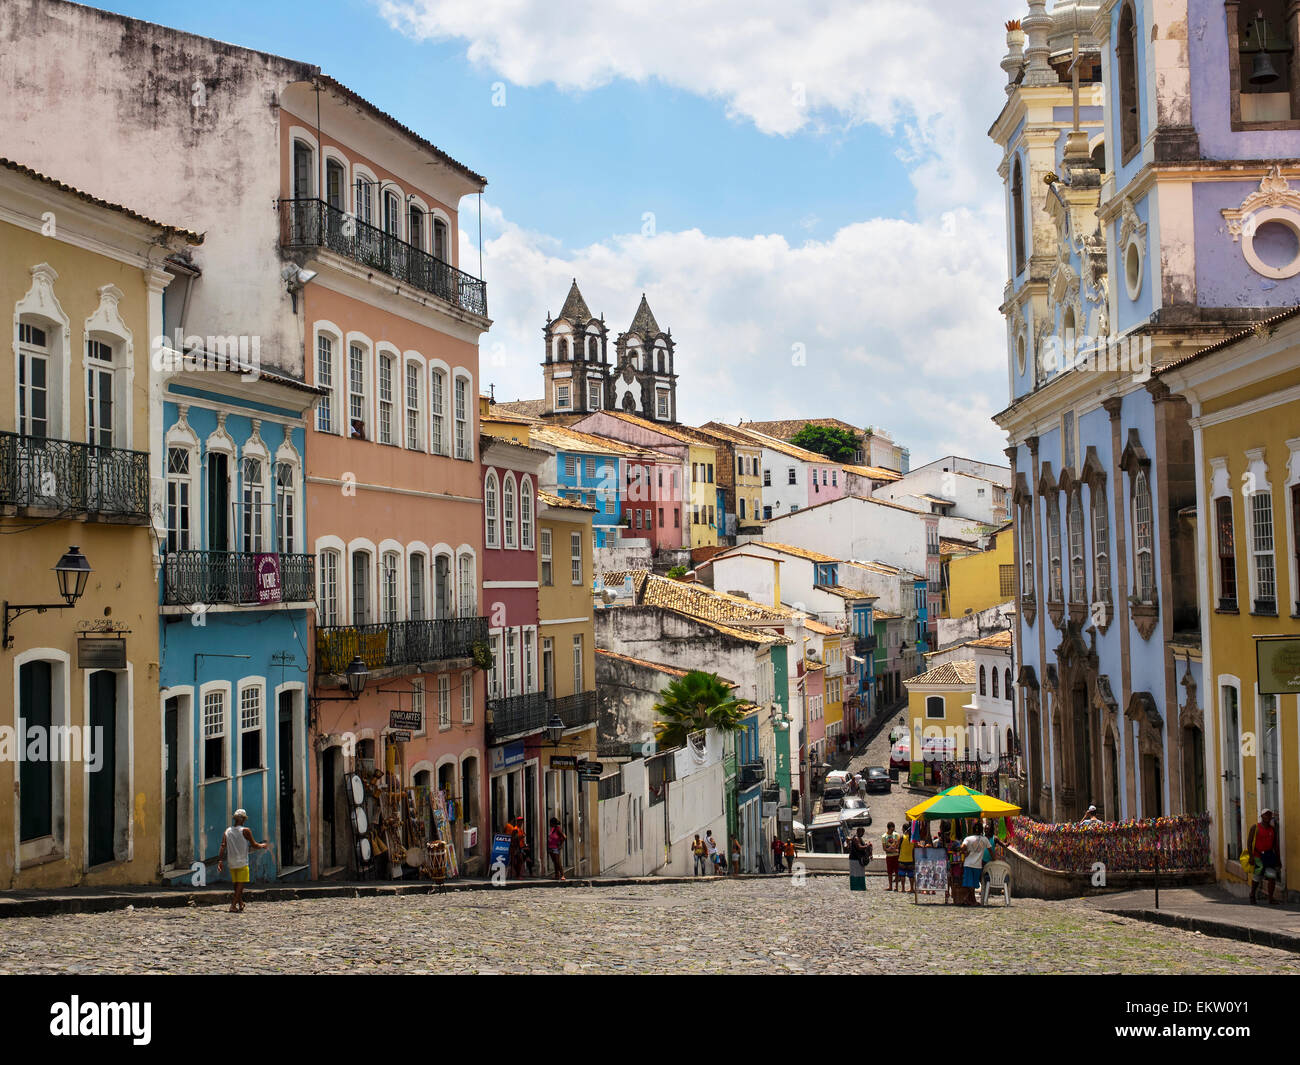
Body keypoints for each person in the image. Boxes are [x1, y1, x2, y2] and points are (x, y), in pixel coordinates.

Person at [217, 809, 268, 913]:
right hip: (242, 861)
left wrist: (220, 861)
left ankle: (240, 903)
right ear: (243, 819)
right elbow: (254, 845)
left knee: (236, 884)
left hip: (231, 861)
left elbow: (223, 846)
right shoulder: (245, 830)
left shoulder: (227, 831)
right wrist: (262, 845)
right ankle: (232, 905)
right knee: (240, 884)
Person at [1248, 809, 1282, 905]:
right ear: (1262, 816)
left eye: (1269, 815)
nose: (1268, 817)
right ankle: (1252, 894)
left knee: (1272, 876)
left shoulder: (1272, 829)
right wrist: (1251, 856)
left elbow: (1275, 846)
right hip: (1258, 856)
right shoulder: (1255, 827)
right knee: (1257, 876)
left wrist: (1278, 859)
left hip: (1269, 855)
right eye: (1266, 815)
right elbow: (1249, 843)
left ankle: (1271, 898)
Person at [960, 823, 991, 906]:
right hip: (977, 865)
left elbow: (962, 847)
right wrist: (994, 859)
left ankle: (968, 899)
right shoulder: (985, 839)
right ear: (982, 830)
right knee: (973, 883)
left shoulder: (968, 838)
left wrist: (965, 852)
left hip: (968, 863)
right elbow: (991, 851)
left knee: (970, 884)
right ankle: (971, 900)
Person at [847, 826, 872, 892]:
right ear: (859, 832)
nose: (863, 834)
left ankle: (860, 886)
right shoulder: (856, 838)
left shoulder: (859, 838)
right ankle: (856, 887)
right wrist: (867, 846)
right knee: (855, 873)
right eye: (862, 832)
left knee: (860, 873)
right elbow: (859, 847)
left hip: (858, 859)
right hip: (855, 859)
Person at [881, 822, 902, 891]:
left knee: (897, 871)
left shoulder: (896, 835)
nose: (893, 830)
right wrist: (890, 850)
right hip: (889, 856)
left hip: (896, 856)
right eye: (891, 829)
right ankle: (890, 886)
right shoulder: (884, 836)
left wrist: (894, 849)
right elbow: (884, 848)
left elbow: (898, 845)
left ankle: (896, 886)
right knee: (889, 872)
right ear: (888, 828)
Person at [897, 821, 916, 894]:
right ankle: (912, 888)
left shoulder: (902, 837)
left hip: (902, 859)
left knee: (902, 874)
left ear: (904, 829)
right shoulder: (912, 838)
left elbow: (898, 847)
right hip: (910, 859)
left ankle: (903, 888)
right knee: (911, 875)